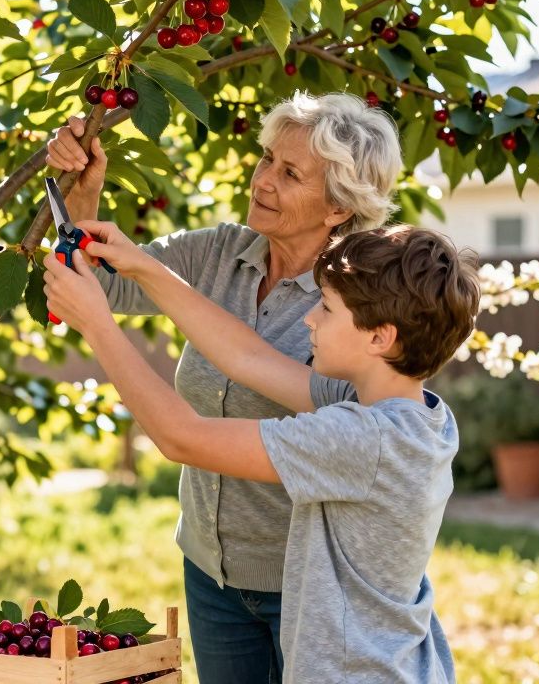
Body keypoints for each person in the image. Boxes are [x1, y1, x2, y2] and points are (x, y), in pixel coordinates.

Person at [44, 91, 401, 681]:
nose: (263, 180)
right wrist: (82, 188)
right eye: (266, 159)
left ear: (339, 207)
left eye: (290, 173)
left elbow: (214, 404)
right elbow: (104, 282)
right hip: (211, 571)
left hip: (308, 583)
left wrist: (102, 322)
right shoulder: (218, 253)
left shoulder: (355, 303)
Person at [42, 223, 480, 682]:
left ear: (379, 338)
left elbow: (181, 437)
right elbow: (246, 357)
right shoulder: (416, 413)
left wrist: (96, 323)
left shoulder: (360, 439)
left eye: (327, 309)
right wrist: (145, 267)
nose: (310, 319)